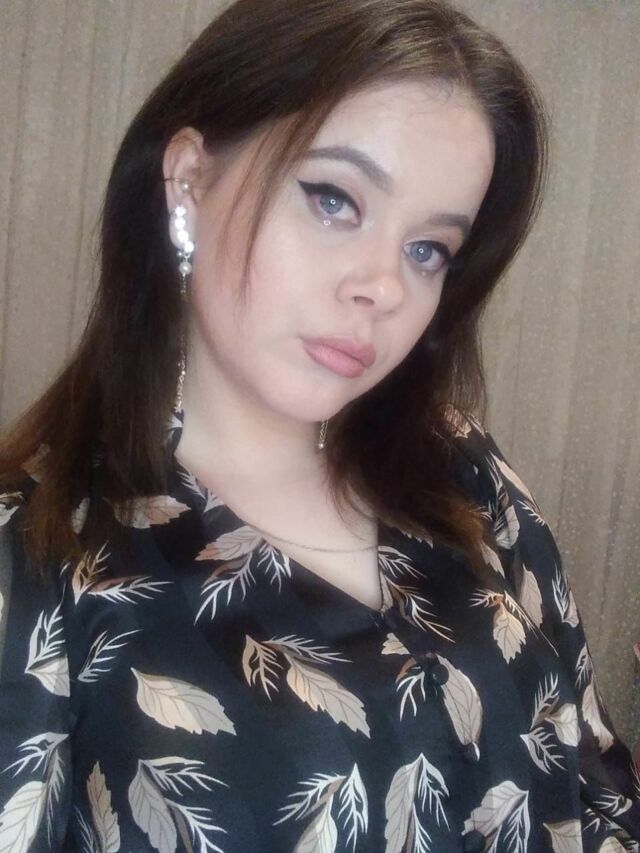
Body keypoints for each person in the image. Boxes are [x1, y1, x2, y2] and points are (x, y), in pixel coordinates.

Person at [0, 0, 638, 849]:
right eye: (334, 200)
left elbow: (596, 776)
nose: (383, 286)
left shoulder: (460, 465)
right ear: (189, 179)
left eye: (428, 249)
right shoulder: (40, 556)